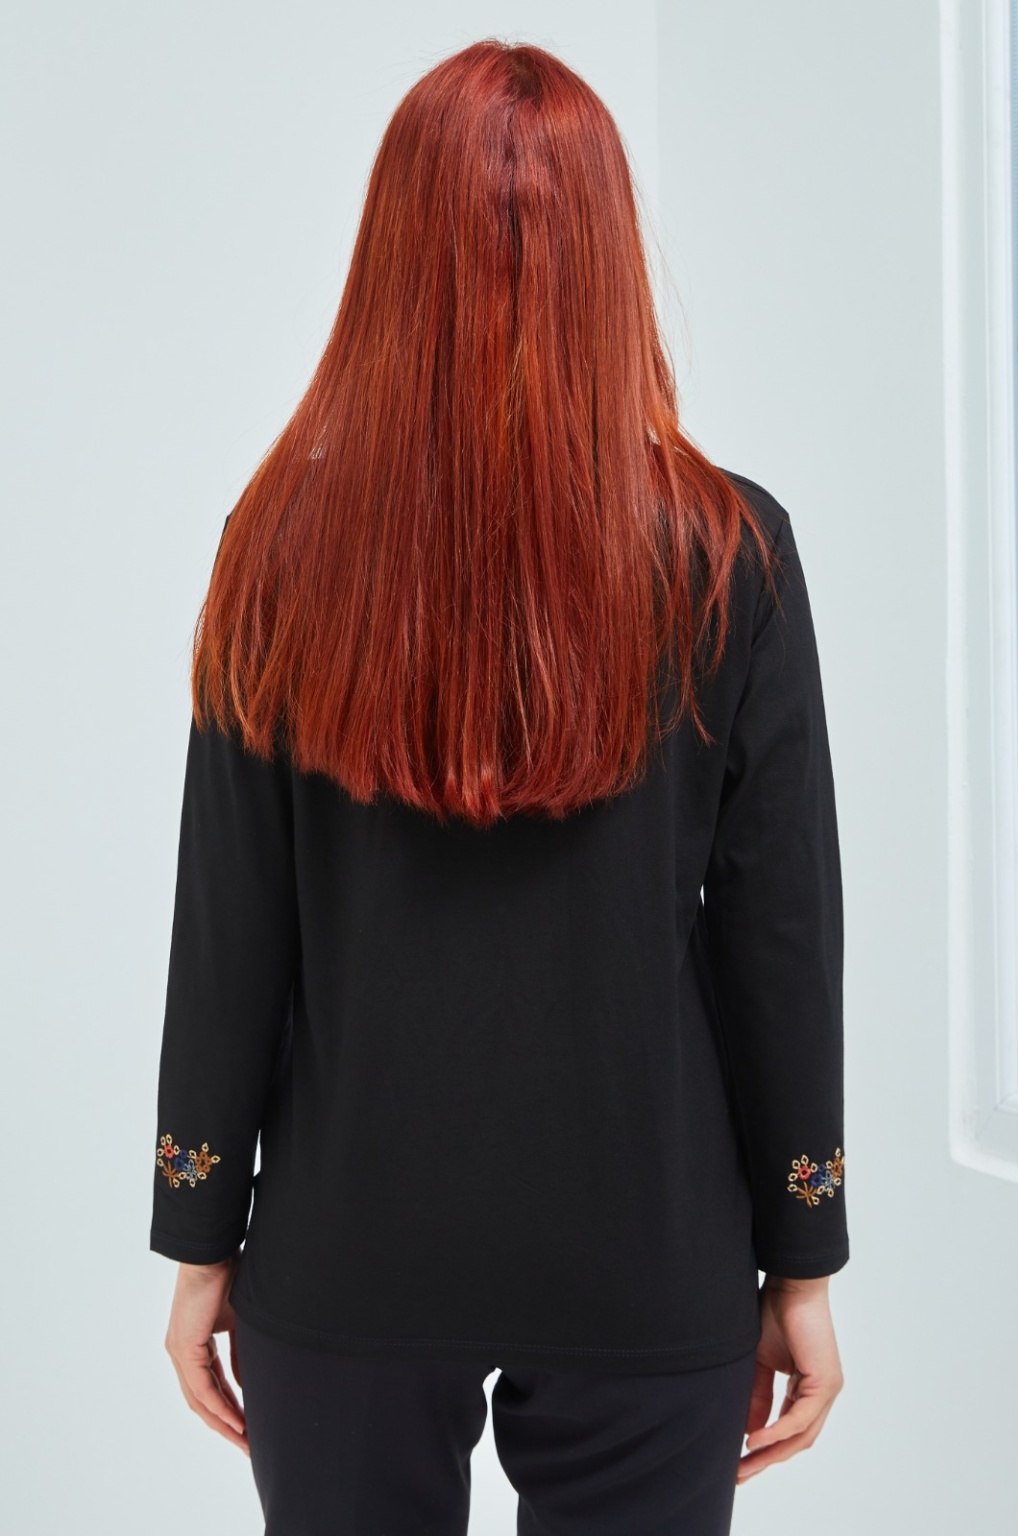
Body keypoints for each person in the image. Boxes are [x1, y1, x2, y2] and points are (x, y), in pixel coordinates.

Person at [149, 37, 848, 1536]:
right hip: (650, 1246)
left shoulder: (278, 545)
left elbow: (230, 926)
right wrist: (804, 1253)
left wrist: (201, 1232)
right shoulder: (730, 550)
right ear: (610, 256)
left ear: (391, 255)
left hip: (346, 1247)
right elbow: (779, 934)